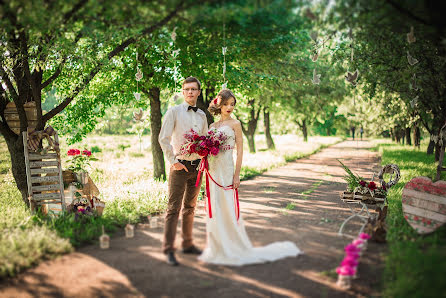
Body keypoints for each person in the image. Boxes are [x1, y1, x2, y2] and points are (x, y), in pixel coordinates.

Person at [198, 89, 302, 266]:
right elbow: (207, 150)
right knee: (214, 205)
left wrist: (237, 175)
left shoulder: (235, 124)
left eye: (232, 104)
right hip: (213, 171)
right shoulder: (212, 127)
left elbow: (239, 152)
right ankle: (217, 246)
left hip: (227, 169)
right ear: (219, 105)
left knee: (227, 206)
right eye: (226, 104)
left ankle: (232, 245)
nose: (229, 107)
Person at [158, 77, 209, 266]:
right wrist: (173, 162)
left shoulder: (202, 115)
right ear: (182, 91)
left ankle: (187, 244)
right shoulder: (173, 112)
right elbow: (163, 139)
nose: (190, 92)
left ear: (198, 92)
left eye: (193, 89)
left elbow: (205, 141)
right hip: (180, 167)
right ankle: (169, 249)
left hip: (197, 167)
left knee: (190, 208)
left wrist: (204, 159)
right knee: (173, 209)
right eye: (187, 89)